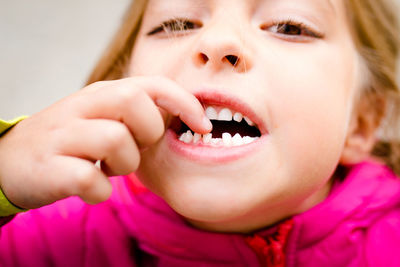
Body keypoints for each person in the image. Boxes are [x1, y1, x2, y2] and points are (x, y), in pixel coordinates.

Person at [0, 0, 399, 266]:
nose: (216, 41)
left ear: (360, 122)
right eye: (177, 23)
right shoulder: (59, 234)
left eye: (289, 26)